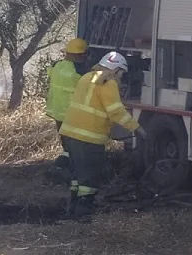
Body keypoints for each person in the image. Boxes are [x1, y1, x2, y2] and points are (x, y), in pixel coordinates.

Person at [59, 51, 146, 217]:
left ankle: (73, 208)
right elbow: (116, 112)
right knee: (90, 177)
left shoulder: (86, 77)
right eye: (121, 73)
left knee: (78, 174)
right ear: (115, 69)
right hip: (89, 137)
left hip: (70, 133)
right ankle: (83, 213)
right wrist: (137, 128)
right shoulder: (107, 82)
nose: (121, 77)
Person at [44, 38, 89, 171]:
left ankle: (64, 162)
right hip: (72, 113)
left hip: (57, 110)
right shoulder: (77, 72)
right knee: (76, 143)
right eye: (84, 54)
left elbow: (49, 71)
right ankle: (73, 167)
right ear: (80, 55)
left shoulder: (56, 66)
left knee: (66, 141)